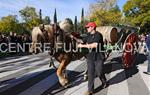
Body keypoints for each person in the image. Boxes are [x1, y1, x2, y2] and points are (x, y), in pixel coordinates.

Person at [77, 22, 107, 95]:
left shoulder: (98, 35)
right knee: (90, 74)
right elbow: (82, 41)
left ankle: (104, 81)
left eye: (88, 27)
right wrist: (74, 37)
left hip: (99, 57)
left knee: (99, 72)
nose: (87, 28)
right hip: (90, 57)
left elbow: (94, 45)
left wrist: (82, 46)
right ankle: (90, 90)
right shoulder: (88, 35)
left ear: (92, 27)